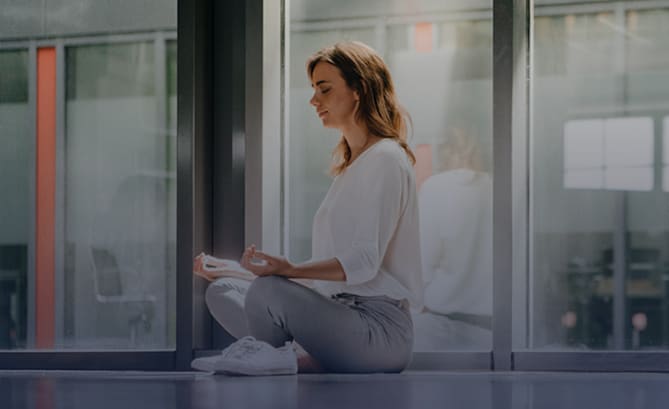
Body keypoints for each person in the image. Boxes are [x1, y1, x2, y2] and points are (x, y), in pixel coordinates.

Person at [190, 40, 422, 375]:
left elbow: (364, 263)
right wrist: (235, 270)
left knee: (268, 291)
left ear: (359, 89)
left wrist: (288, 271)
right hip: (340, 313)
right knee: (224, 290)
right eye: (314, 90)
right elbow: (332, 285)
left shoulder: (385, 158)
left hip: (379, 332)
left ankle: (276, 355)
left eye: (324, 90)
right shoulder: (353, 166)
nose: (314, 101)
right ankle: (289, 355)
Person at [414, 125, 493, 350]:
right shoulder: (501, 188)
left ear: (448, 149)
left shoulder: (436, 188)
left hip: (443, 326)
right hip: (494, 329)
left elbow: (423, 263)